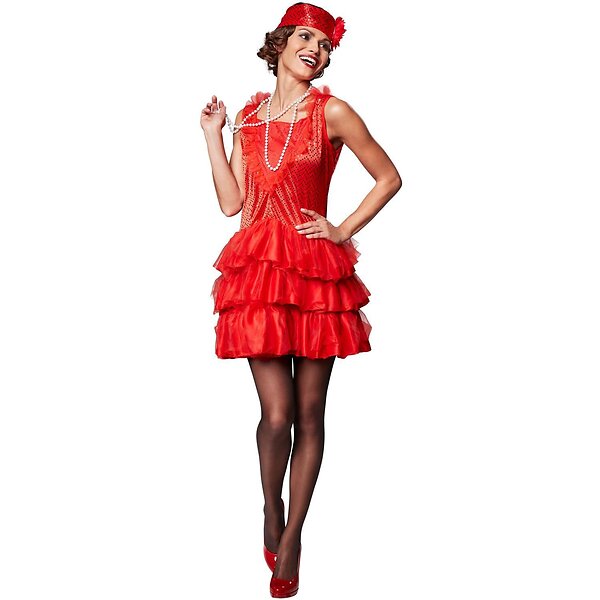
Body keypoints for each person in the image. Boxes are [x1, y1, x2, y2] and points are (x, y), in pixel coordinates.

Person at [200, 3, 401, 596]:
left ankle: (292, 540)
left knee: (310, 413)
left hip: (314, 273)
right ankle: (272, 507)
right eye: (307, 37)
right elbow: (231, 204)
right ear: (281, 44)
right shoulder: (249, 116)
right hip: (260, 272)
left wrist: (341, 230)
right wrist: (212, 136)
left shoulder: (332, 111)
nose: (317, 49)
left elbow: (389, 176)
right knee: (277, 414)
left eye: (326, 43)